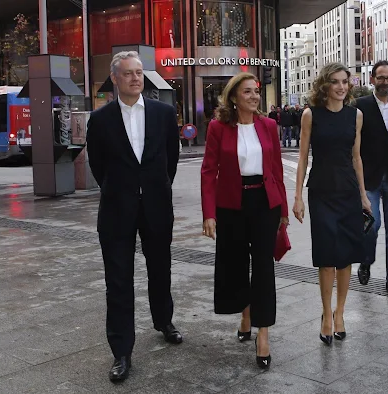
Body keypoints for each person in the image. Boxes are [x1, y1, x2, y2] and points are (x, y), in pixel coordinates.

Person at [86, 51, 182, 383]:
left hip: (156, 205)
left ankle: (164, 320)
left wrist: (154, 187)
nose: (135, 78)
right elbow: (98, 165)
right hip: (116, 210)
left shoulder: (163, 113)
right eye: (128, 73)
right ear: (115, 78)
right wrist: (120, 189)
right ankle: (122, 351)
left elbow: (171, 158)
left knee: (160, 268)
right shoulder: (100, 121)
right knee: (118, 281)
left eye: (139, 72)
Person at [200, 72, 288, 369]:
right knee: (237, 264)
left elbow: (276, 171)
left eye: (257, 91)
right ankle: (246, 314)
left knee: (263, 267)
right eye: (248, 92)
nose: (254, 96)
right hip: (231, 205)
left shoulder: (270, 126)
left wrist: (284, 212)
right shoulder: (218, 128)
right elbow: (209, 171)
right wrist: (209, 213)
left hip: (265, 203)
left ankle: (263, 334)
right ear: (234, 97)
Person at [293, 62, 371, 344]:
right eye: (335, 82)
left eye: (345, 82)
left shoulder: (356, 116)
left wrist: (363, 195)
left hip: (348, 191)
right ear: (325, 85)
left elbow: (357, 157)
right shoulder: (310, 115)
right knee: (327, 258)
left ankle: (340, 313)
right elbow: (302, 157)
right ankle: (326, 314)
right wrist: (298, 196)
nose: (341, 87)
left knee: (346, 256)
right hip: (322, 191)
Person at [355, 61, 388, 297]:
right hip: (369, 176)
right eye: (381, 77)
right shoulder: (360, 106)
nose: (385, 82)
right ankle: (366, 260)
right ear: (372, 79)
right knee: (372, 225)